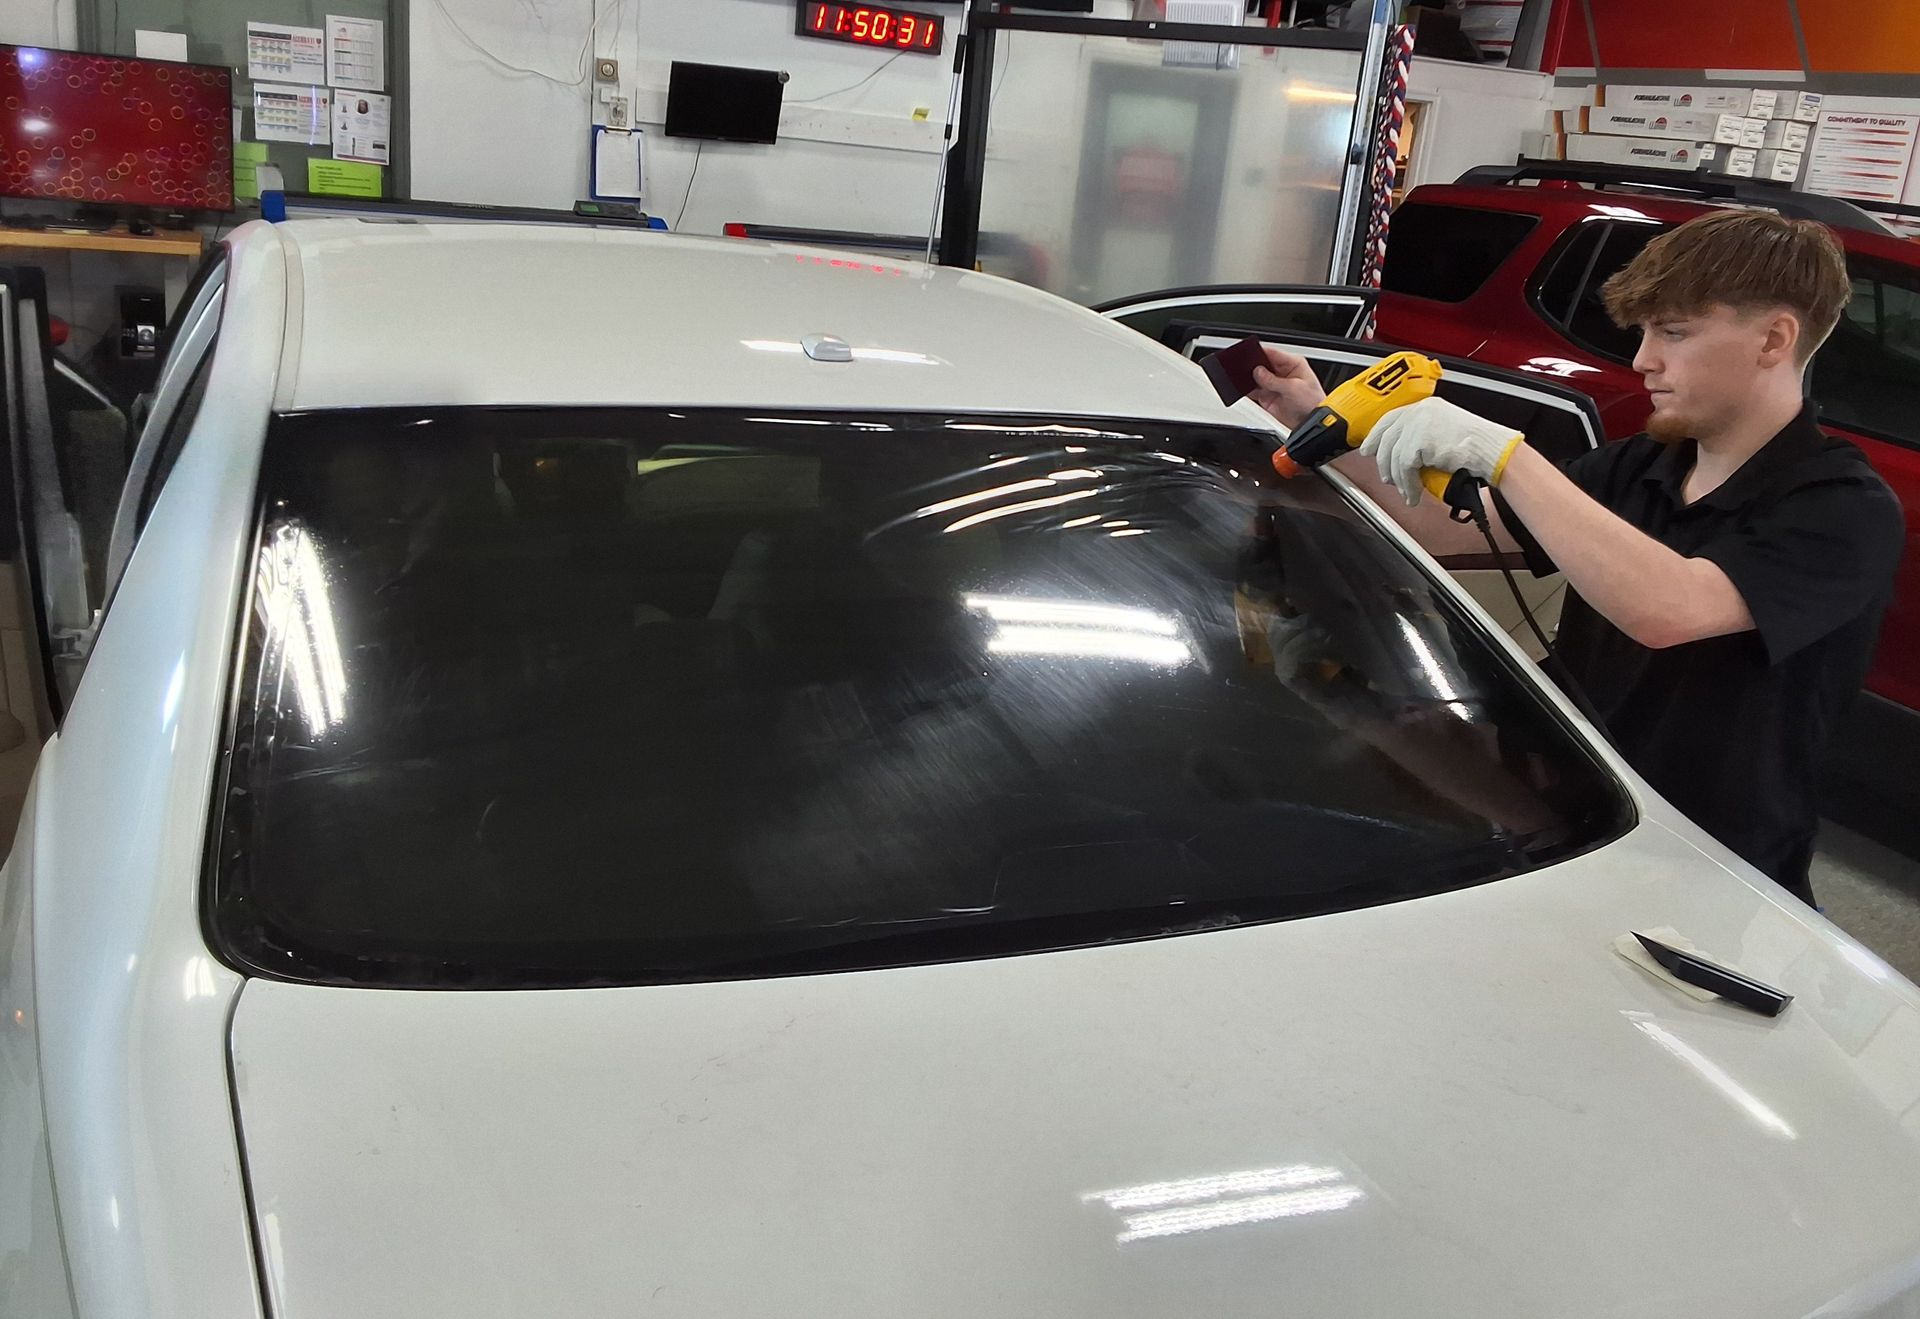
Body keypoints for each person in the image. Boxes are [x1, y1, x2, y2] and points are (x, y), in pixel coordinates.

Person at [1248, 209, 1905, 906]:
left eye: (1674, 332)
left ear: (1774, 339)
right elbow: (1453, 530)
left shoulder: (1842, 507)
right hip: (1579, 826)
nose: (1644, 359)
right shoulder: (1641, 464)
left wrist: (1508, 457)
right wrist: (1321, 425)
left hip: (1714, 874)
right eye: (1644, 333)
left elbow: (1670, 608)